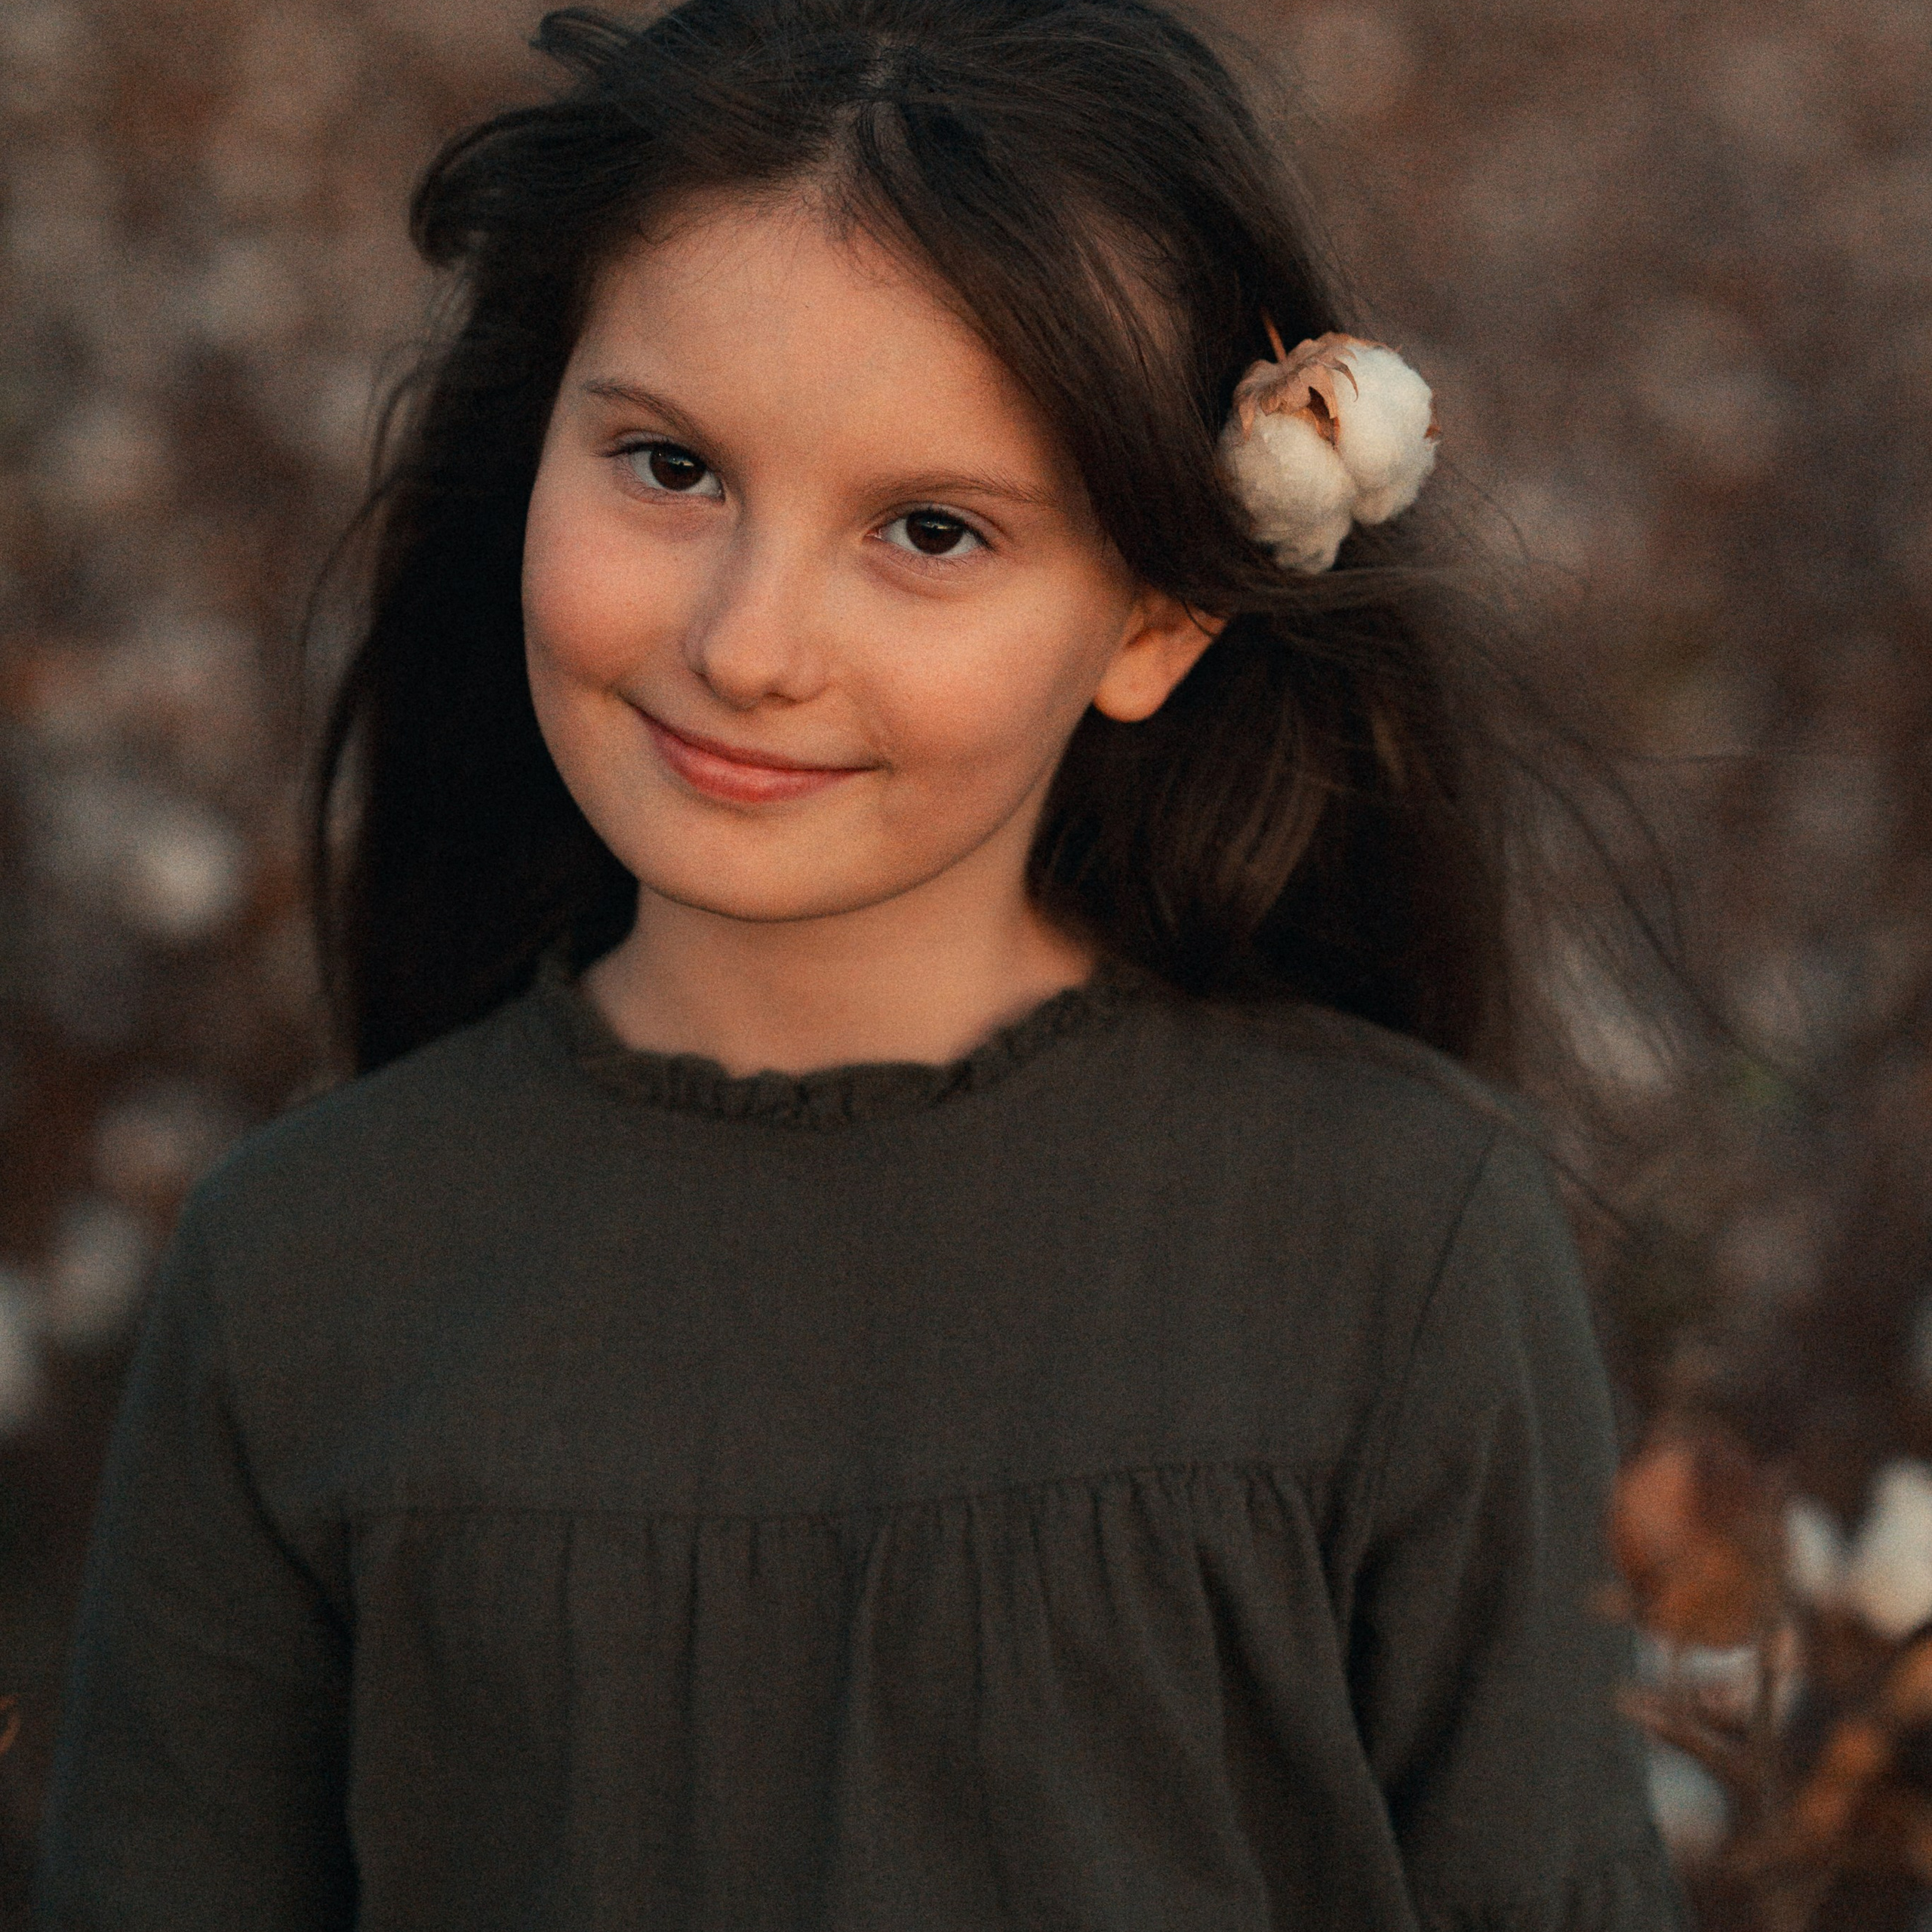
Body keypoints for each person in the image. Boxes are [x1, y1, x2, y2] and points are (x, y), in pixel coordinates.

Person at [37, 2, 1687, 1925]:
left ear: (1155, 615)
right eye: (668, 467)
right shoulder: (297, 1276)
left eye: (928, 529)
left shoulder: (1399, 1241)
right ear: (537, 430)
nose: (750, 641)